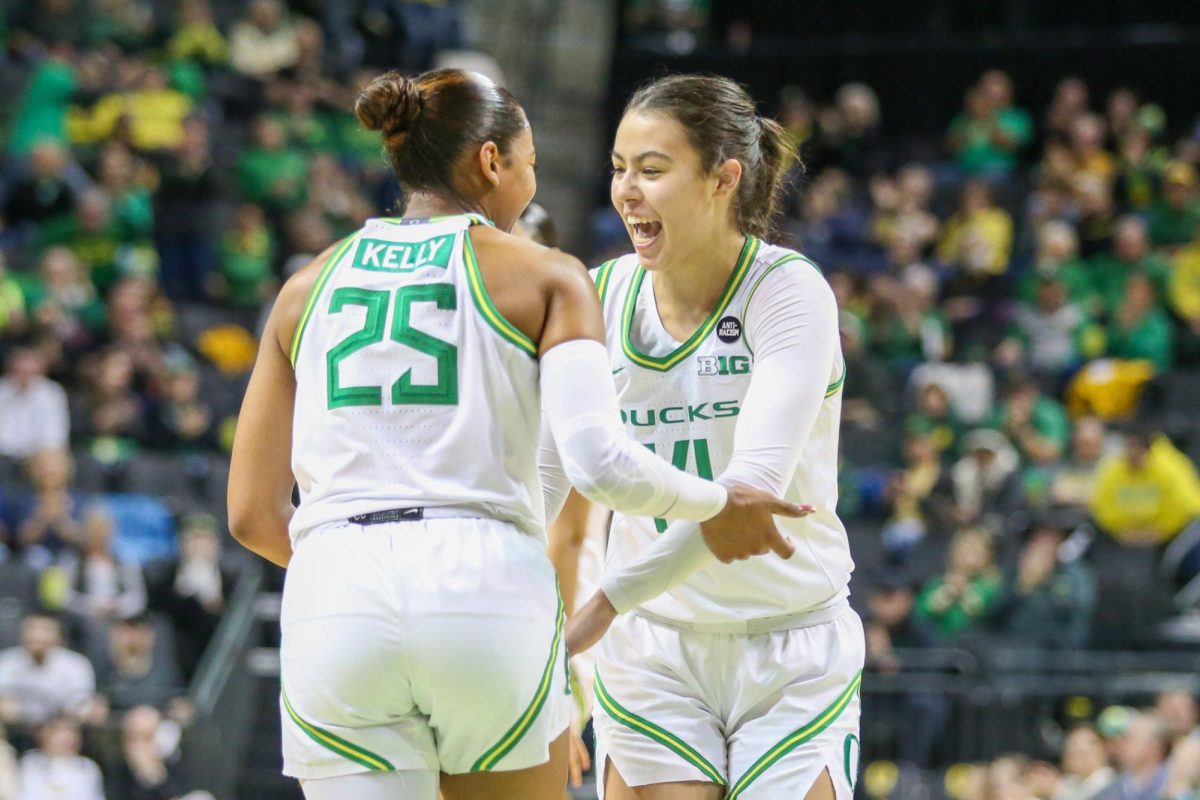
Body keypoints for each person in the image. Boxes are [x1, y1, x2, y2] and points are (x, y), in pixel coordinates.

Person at [227, 68, 801, 800]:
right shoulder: (548, 275)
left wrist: (356, 564)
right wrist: (721, 504)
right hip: (484, 578)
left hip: (332, 582)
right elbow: (598, 464)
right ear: (491, 162)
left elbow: (249, 513)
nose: (533, 180)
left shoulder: (304, 288)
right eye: (531, 164)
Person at [564, 74, 862, 800]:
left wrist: (602, 603)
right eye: (618, 168)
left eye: (653, 170)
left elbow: (745, 504)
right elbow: (556, 500)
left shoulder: (787, 290)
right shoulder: (598, 297)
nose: (627, 191)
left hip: (792, 647)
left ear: (723, 178)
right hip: (653, 648)